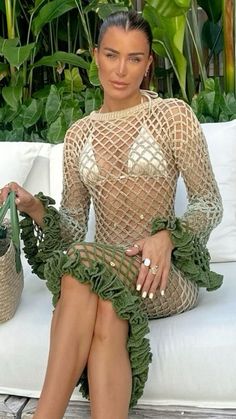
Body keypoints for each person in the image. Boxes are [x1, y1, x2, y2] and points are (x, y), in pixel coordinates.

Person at [0, 10, 223, 419]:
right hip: (104, 274)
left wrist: (167, 236)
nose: (121, 70)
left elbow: (209, 202)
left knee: (83, 265)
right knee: (104, 304)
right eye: (112, 55)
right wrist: (34, 209)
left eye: (135, 58)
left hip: (162, 275)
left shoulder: (172, 116)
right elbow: (69, 227)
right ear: (95, 56)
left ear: (148, 63)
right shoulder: (79, 135)